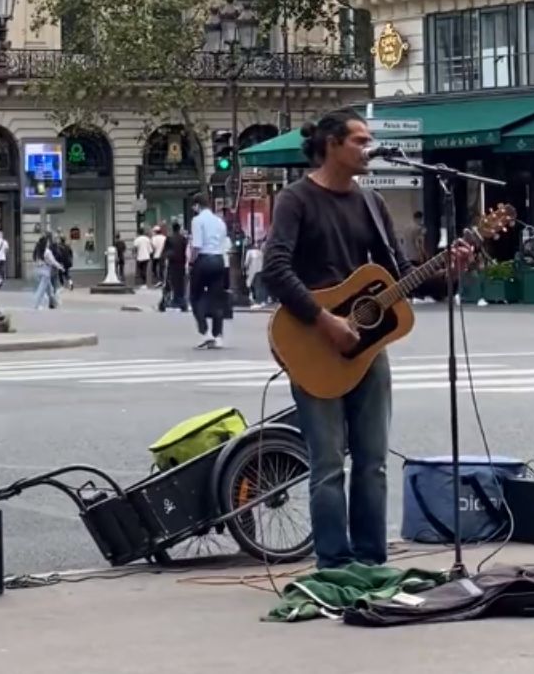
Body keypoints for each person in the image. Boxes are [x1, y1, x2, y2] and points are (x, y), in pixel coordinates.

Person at [261, 108, 471, 570]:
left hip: (368, 349)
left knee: (373, 462)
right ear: (332, 145)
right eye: (359, 140)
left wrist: (445, 272)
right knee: (328, 465)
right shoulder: (296, 199)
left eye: (369, 139)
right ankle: (334, 567)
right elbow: (274, 269)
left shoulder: (372, 204)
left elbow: (398, 277)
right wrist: (323, 320)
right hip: (314, 343)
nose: (368, 148)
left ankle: (371, 563)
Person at [188, 193, 229, 349]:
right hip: (219, 260)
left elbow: (197, 245)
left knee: (195, 296)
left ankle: (205, 332)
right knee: (216, 299)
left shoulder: (197, 221)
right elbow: (224, 243)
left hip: (203, 260)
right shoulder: (220, 221)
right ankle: (218, 335)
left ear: (197, 205)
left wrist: (191, 261)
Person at [163, 222, 189, 311]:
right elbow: (186, 251)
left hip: (172, 263)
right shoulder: (183, 239)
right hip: (181, 263)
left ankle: (172, 298)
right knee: (180, 282)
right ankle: (180, 298)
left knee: (171, 281)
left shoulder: (169, 239)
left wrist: (164, 259)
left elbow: (165, 251)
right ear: (179, 228)